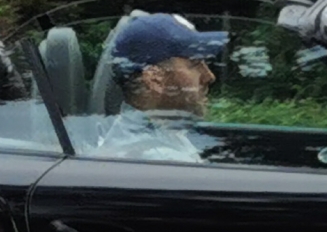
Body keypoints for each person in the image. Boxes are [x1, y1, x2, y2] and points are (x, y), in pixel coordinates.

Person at [86, 11, 228, 160]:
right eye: (195, 64)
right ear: (155, 79)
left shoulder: (160, 134)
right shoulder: (162, 159)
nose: (209, 76)